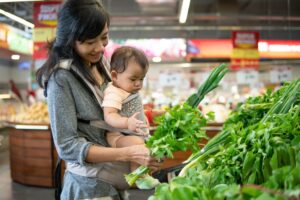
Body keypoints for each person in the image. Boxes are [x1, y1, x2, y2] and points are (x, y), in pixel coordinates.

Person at [36, 0, 162, 199]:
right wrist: (129, 153)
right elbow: (67, 146)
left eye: (103, 38)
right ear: (70, 39)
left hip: (114, 186)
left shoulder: (100, 62)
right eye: (89, 42)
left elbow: (112, 106)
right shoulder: (60, 79)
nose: (99, 48)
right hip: (88, 187)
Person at [102, 46, 160, 189]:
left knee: (148, 148)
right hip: (117, 136)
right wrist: (127, 122)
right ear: (115, 76)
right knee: (136, 143)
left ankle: (144, 172)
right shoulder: (114, 93)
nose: (138, 84)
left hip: (132, 133)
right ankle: (138, 176)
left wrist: (149, 114)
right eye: (133, 79)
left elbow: (133, 109)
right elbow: (109, 115)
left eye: (141, 79)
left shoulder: (127, 89)